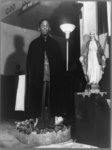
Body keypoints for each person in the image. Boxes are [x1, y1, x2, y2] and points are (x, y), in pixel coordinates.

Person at [25, 19, 69, 120]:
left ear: (49, 28)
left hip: (52, 77)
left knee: (52, 100)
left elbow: (59, 64)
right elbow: (30, 64)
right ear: (39, 28)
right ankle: (38, 121)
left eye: (46, 25)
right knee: (39, 100)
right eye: (42, 25)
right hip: (38, 78)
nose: (44, 27)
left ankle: (52, 121)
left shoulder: (55, 44)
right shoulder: (34, 44)